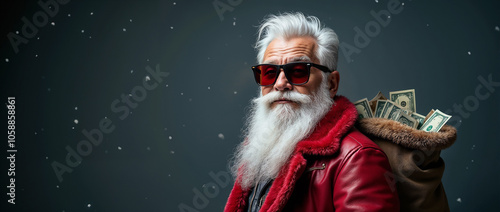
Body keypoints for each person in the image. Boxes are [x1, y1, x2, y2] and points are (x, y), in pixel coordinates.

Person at [224, 12, 399, 211]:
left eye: (298, 71)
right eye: (270, 73)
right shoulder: (260, 150)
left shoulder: (357, 157)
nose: (280, 84)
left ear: (331, 84)